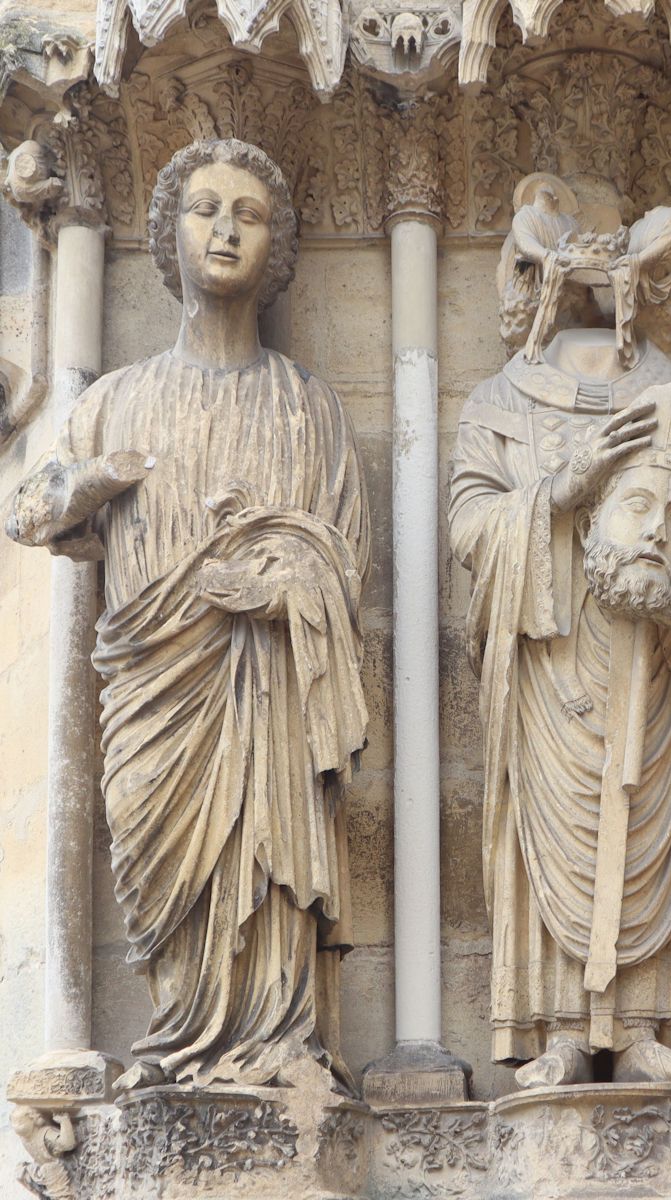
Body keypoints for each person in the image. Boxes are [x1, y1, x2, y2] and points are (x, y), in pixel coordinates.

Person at [7, 139, 368, 1093]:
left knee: (267, 867)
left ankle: (279, 1041)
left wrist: (283, 580)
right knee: (166, 879)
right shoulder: (115, 399)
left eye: (248, 215)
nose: (224, 229)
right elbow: (29, 511)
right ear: (168, 237)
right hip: (152, 698)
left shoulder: (309, 408)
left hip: (268, 695)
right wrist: (94, 478)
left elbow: (346, 561)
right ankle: (180, 1037)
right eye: (204, 209)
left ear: (277, 247)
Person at [449, 187, 671, 1088]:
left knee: (643, 807)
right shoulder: (498, 404)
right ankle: (557, 1030)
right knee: (554, 824)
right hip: (547, 657)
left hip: (652, 662)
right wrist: (563, 490)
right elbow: (467, 526)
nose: (586, 296)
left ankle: (643, 1020)